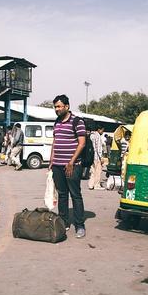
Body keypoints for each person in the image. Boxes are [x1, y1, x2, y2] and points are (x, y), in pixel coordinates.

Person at [49, 94, 86, 238]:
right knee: (62, 195)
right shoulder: (57, 122)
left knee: (75, 195)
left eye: (59, 106)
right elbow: (55, 141)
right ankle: (63, 222)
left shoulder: (77, 121)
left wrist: (71, 162)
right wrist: (52, 161)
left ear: (67, 106)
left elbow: (81, 143)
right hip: (57, 165)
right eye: (55, 107)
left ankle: (80, 225)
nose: (57, 109)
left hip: (72, 165)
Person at [88, 124, 105, 190]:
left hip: (91, 156)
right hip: (97, 157)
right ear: (99, 129)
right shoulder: (97, 136)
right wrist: (101, 158)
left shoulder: (91, 135)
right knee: (98, 171)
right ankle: (96, 185)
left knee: (92, 172)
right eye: (102, 130)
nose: (102, 132)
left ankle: (91, 185)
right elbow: (98, 149)